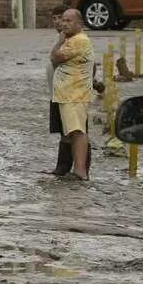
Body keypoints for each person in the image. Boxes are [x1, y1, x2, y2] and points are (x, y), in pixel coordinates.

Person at [51, 9, 94, 181]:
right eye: (63, 20)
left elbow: (54, 57)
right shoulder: (73, 40)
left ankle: (80, 170)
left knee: (77, 131)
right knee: (72, 131)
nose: (64, 23)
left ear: (79, 24)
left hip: (74, 94)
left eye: (68, 21)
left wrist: (59, 42)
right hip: (67, 93)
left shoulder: (78, 41)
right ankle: (75, 169)